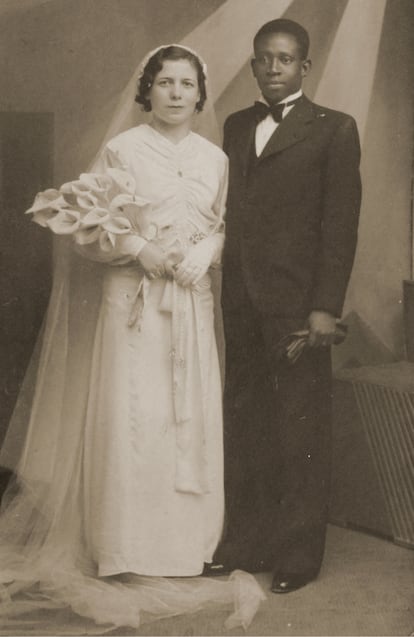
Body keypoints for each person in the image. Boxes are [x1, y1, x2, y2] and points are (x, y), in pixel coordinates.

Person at [0, 44, 263, 632]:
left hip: (190, 304)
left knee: (186, 419)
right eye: (164, 82)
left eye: (186, 83)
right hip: (133, 308)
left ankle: (186, 549)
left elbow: (224, 223)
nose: (175, 93)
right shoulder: (121, 150)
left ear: (201, 92)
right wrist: (139, 248)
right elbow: (86, 229)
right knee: (135, 418)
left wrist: (208, 250)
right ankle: (125, 547)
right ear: (148, 90)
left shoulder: (214, 158)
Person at [208, 19, 361, 593]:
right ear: (252, 66)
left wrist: (325, 306)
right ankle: (246, 540)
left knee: (300, 426)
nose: (274, 69)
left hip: (299, 304)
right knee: (244, 420)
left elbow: (339, 226)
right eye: (264, 60)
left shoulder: (334, 129)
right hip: (241, 300)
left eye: (286, 59)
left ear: (305, 66)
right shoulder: (236, 124)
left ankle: (299, 554)